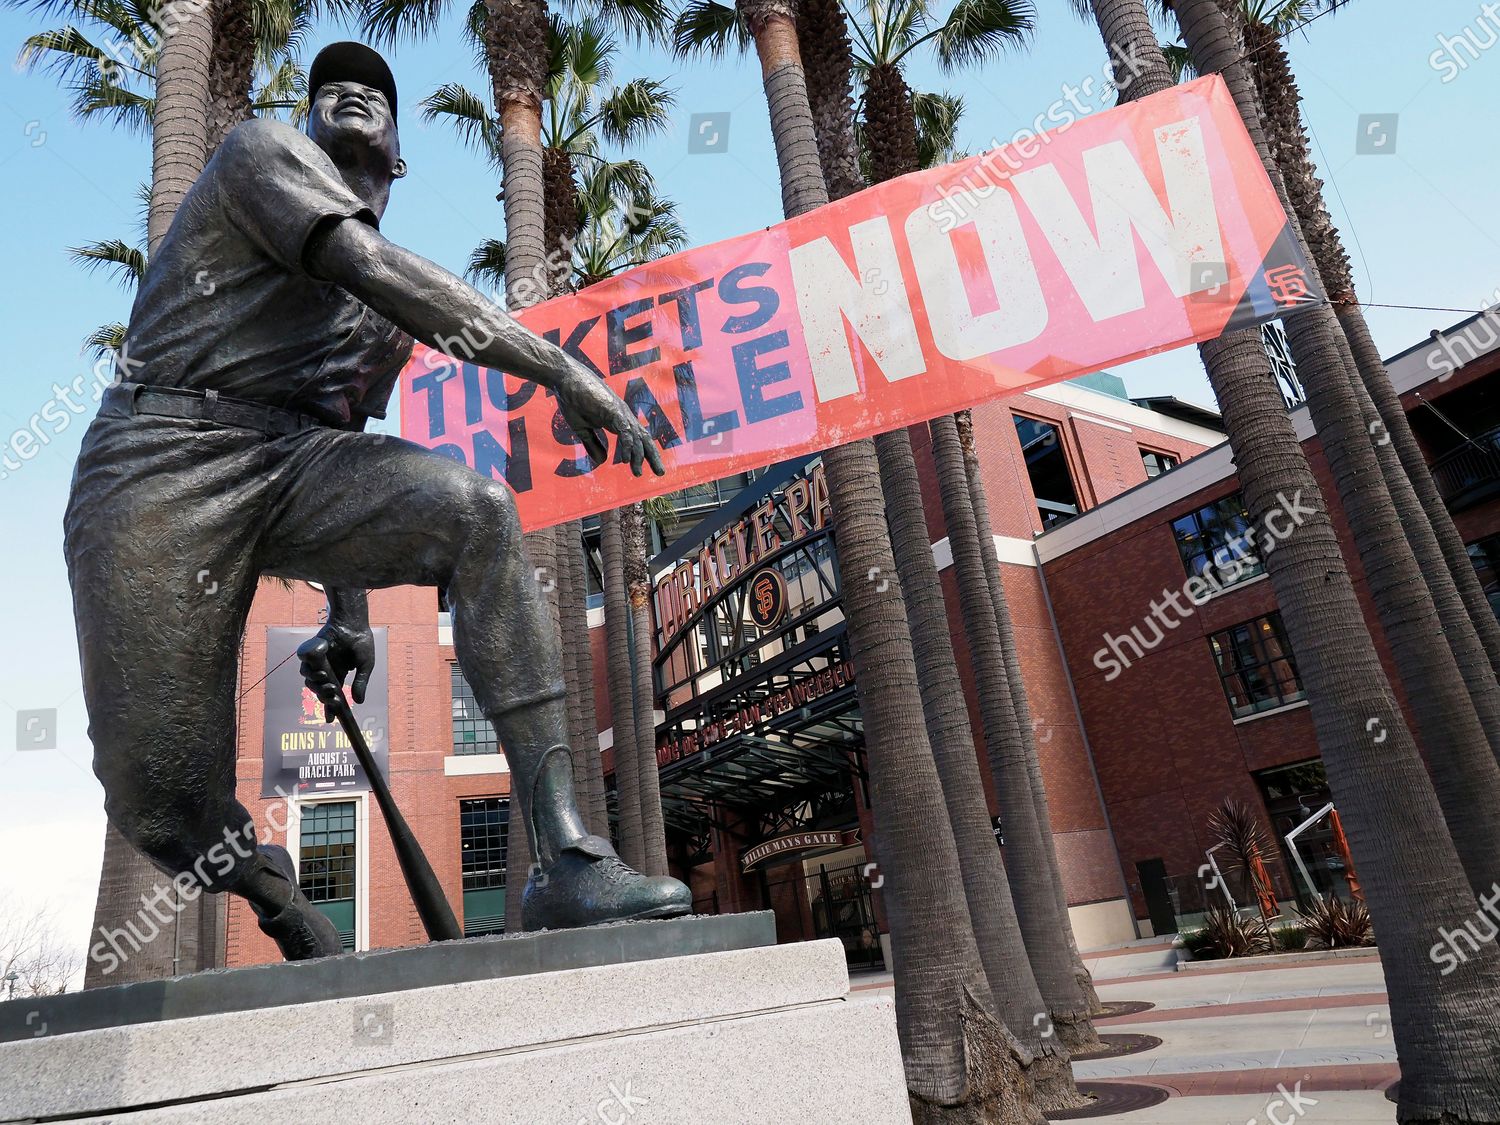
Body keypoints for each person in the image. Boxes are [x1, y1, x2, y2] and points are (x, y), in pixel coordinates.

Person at [64, 41, 691, 961]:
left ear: (398, 156)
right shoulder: (261, 152)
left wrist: (347, 614)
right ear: (309, 120)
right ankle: (278, 899)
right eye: (332, 87)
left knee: (475, 510)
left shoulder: (384, 315)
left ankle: (568, 855)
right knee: (158, 798)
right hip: (157, 461)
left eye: (378, 94)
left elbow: (341, 443)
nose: (352, 91)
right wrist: (560, 368)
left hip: (287, 460)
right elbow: (367, 264)